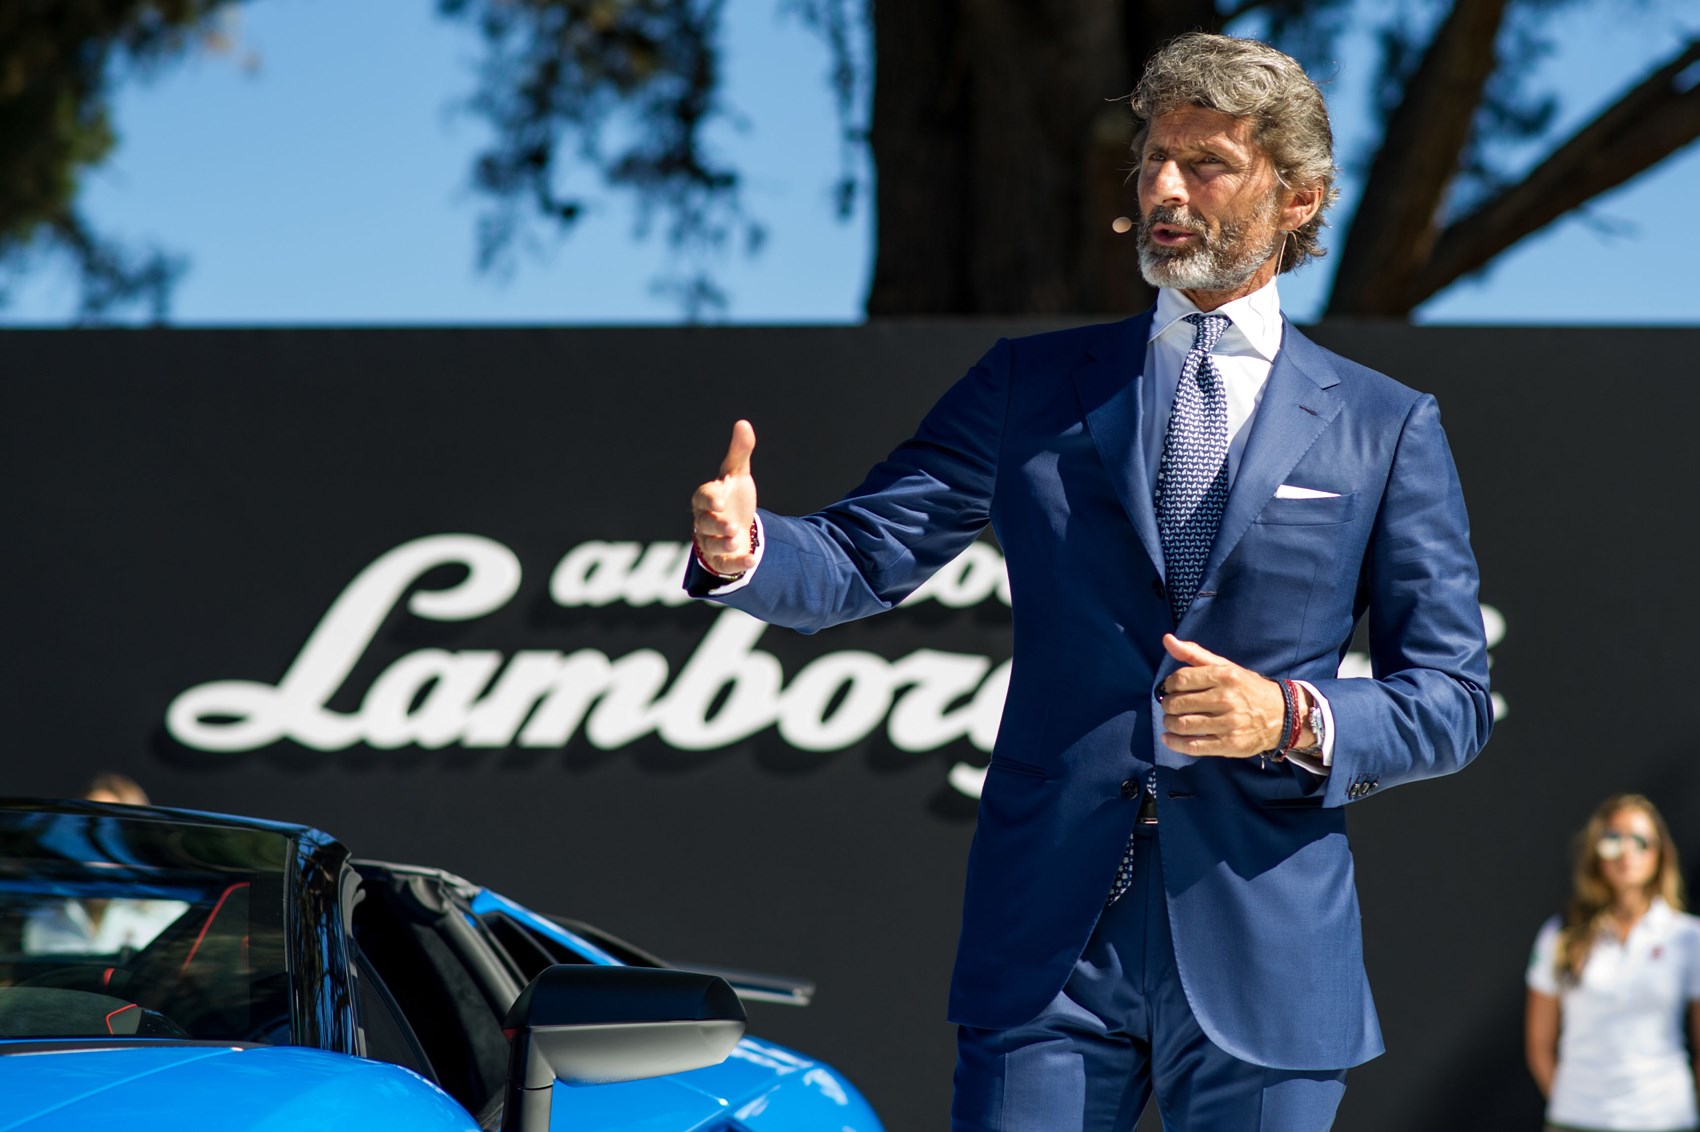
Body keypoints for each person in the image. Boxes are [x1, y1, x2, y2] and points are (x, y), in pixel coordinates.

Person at [685, 32, 1492, 1132]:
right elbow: (859, 558)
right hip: (1049, 943)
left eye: (1205, 164)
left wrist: (1289, 715)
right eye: (1152, 160)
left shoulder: (1383, 425)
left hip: (1266, 941)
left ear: (1297, 199)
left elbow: (1449, 697)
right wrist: (747, 552)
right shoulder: (1028, 385)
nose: (1163, 187)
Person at [1526, 795, 1700, 1132]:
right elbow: (1538, 1043)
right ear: (1595, 852)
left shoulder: (1689, 937)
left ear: (1660, 852)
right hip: (1577, 1119)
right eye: (1612, 840)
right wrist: (1576, 1107)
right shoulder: (1560, 934)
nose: (1626, 853)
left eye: (1640, 842)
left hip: (1666, 1119)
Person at [24, 773, 187, 955]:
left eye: (111, 825)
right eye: (86, 823)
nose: (97, 835)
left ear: (132, 835)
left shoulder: (169, 915)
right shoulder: (48, 918)